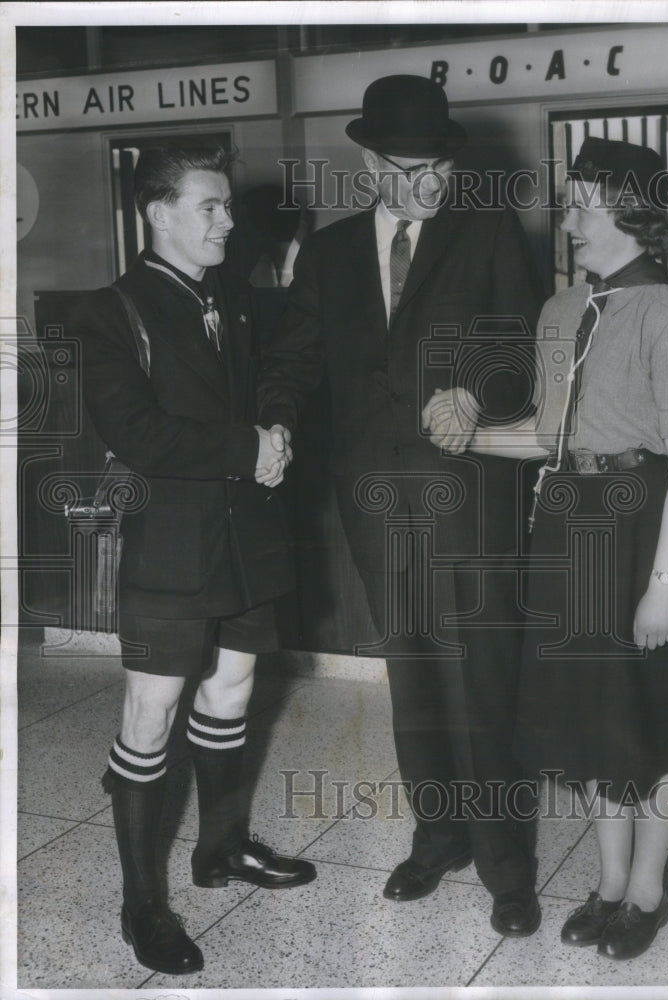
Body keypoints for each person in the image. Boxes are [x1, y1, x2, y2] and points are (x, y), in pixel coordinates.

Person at [258, 75, 545, 936]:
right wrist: (272, 418)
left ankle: (506, 867)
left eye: (439, 169)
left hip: (471, 495)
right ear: (369, 161)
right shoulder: (333, 251)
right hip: (374, 499)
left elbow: (526, 346)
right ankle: (437, 836)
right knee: (412, 674)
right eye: (408, 169)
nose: (428, 185)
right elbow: (296, 358)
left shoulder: (488, 230)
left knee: (483, 680)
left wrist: (474, 394)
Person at [464, 137, 668, 959]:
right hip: (572, 525)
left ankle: (649, 890)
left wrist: (663, 586)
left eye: (583, 205)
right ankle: (610, 880)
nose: (568, 221)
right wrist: (471, 433)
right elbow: (551, 438)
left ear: (629, 216)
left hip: (646, 525)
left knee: (660, 720)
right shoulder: (560, 313)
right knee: (593, 718)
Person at [75, 146, 316, 977]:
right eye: (208, 206)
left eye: (226, 206)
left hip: (247, 536)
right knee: (151, 714)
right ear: (159, 212)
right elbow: (135, 434)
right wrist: (245, 445)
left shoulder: (240, 302)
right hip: (170, 544)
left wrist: (276, 428)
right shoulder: (110, 311)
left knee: (233, 690)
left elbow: (282, 371)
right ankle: (142, 904)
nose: (227, 220)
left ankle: (221, 849)